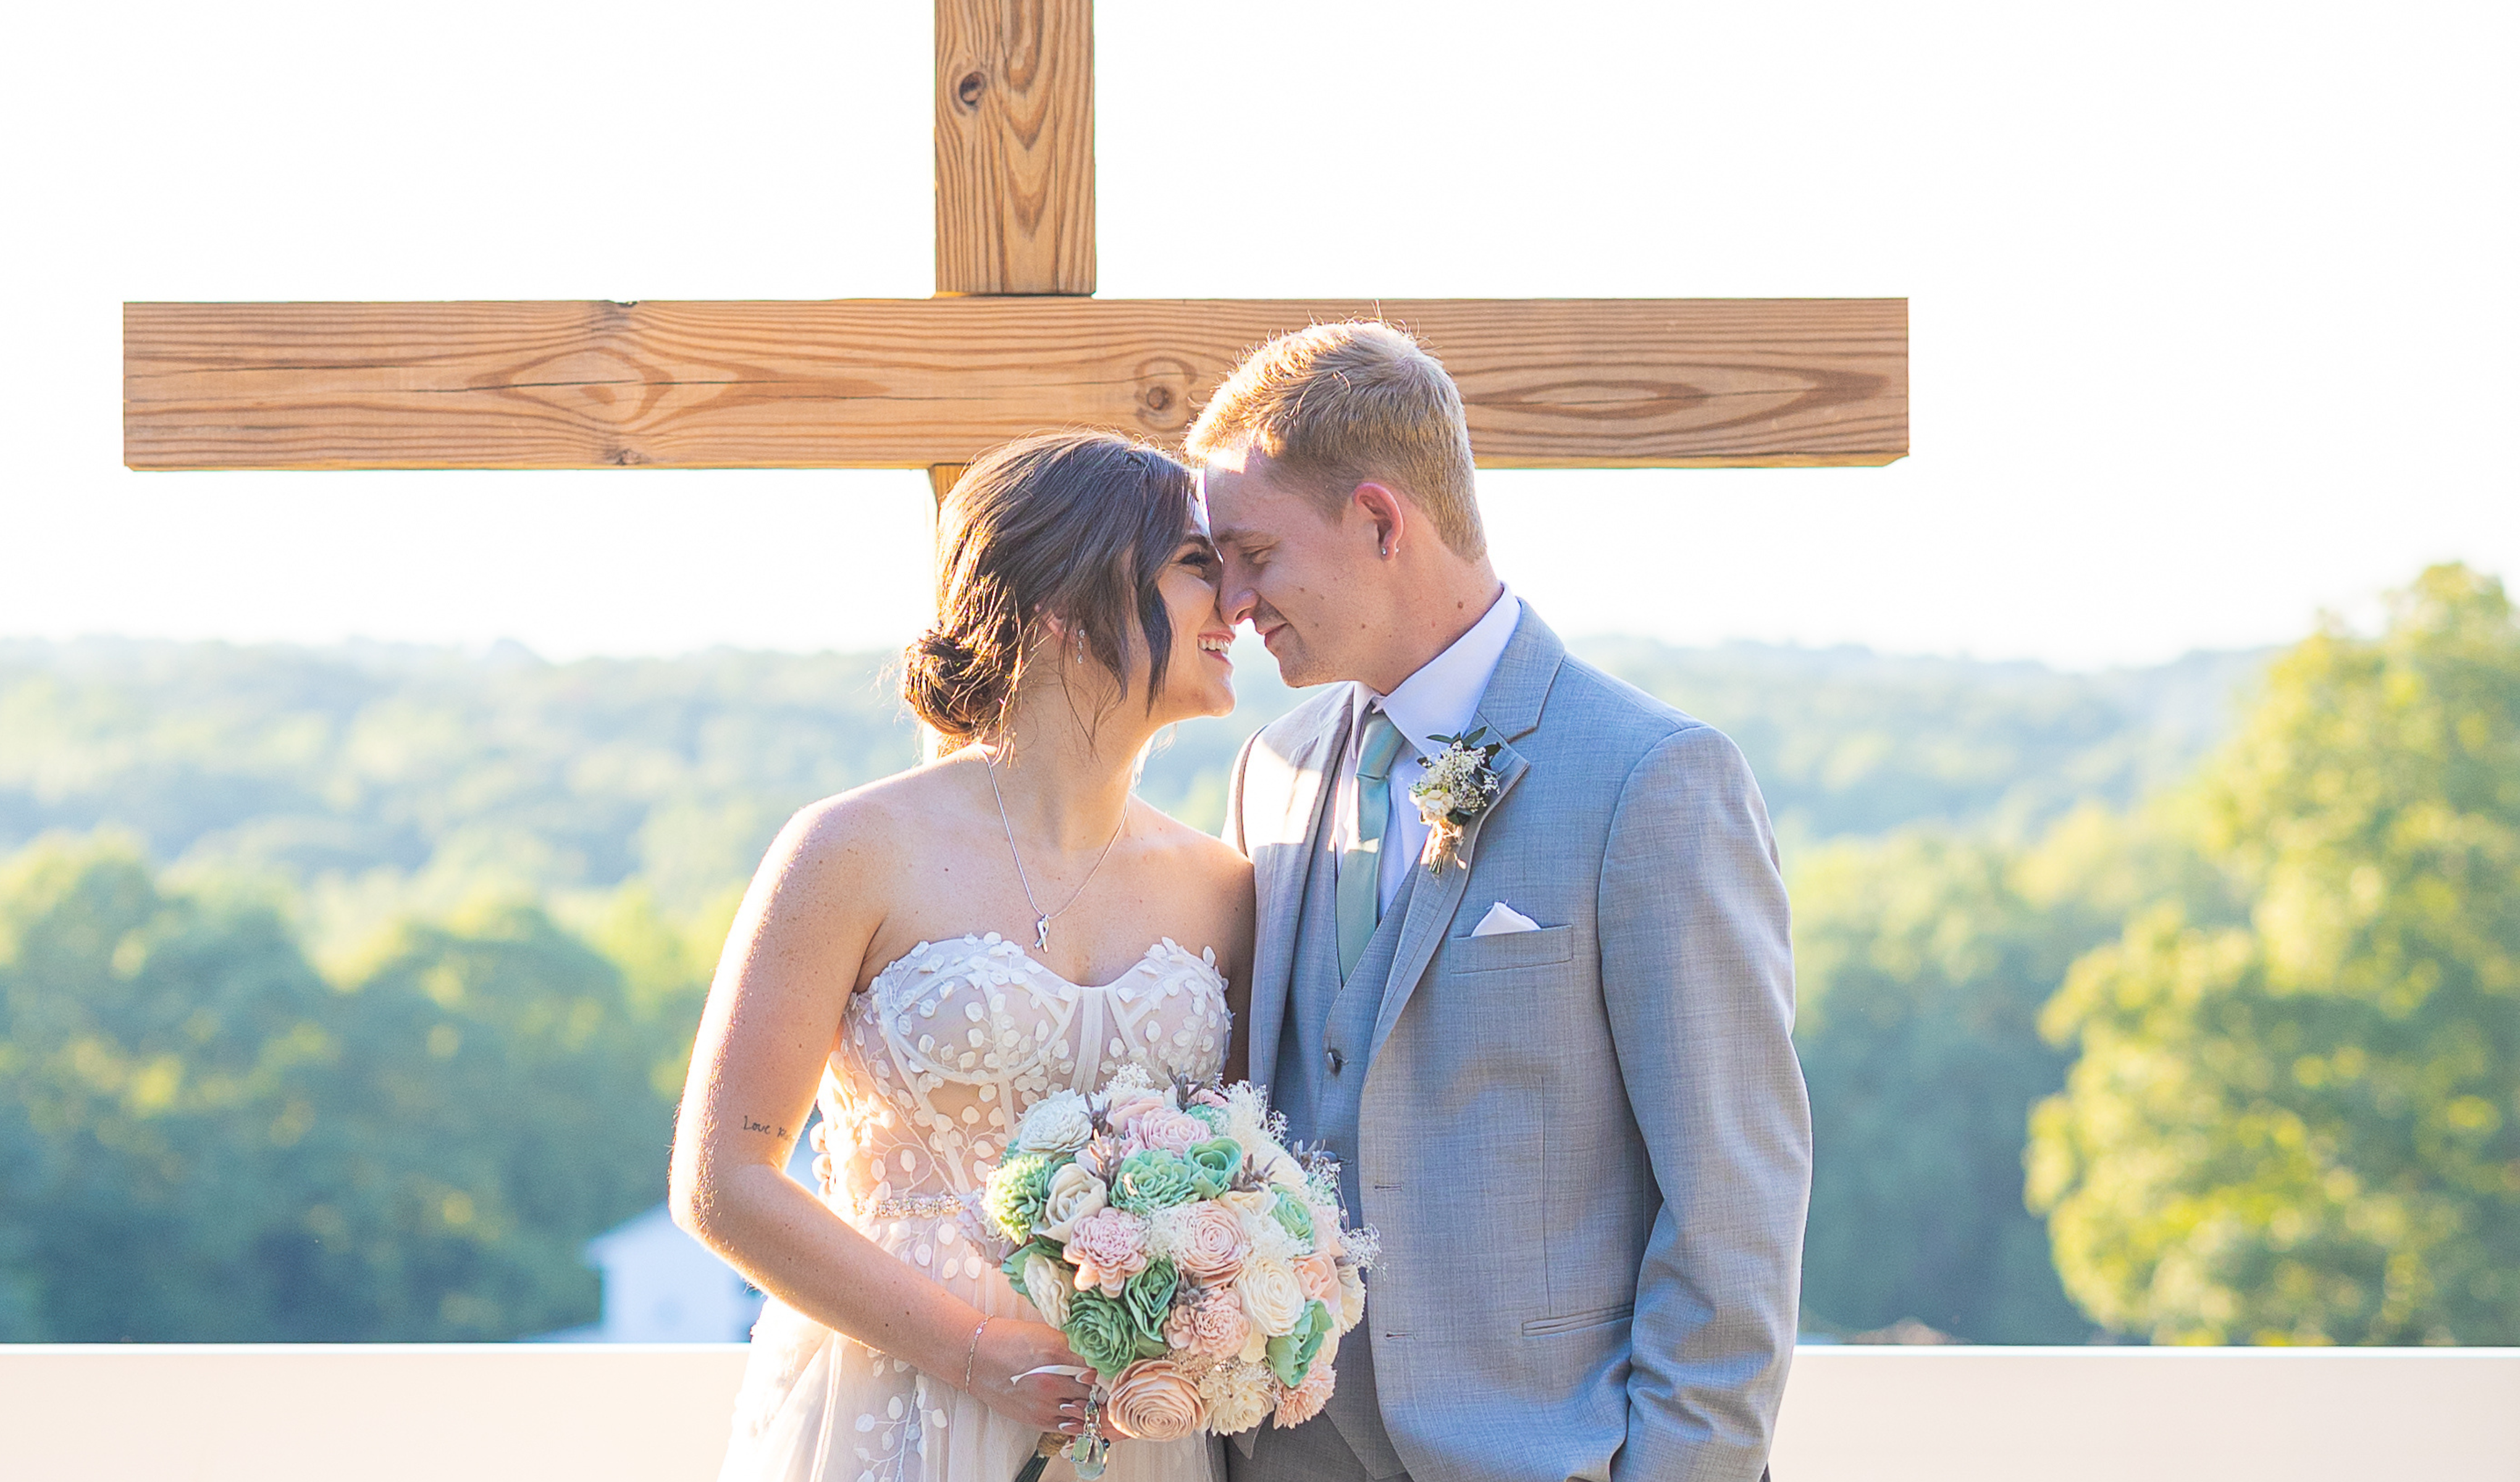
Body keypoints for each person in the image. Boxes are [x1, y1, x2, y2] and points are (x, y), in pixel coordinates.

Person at [1199, 323, 1812, 1482]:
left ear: (1381, 522)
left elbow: (1735, 1198)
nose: (1230, 601)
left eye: (1253, 555)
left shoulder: (1654, 778)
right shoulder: (1269, 770)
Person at [673, 430, 1254, 1482]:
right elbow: (722, 1180)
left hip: (1131, 1427)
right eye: (1197, 569)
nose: (1239, 606)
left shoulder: (1223, 888)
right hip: (892, 1400)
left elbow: (1249, 1168)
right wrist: (976, 1353)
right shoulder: (849, 850)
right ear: (1066, 604)